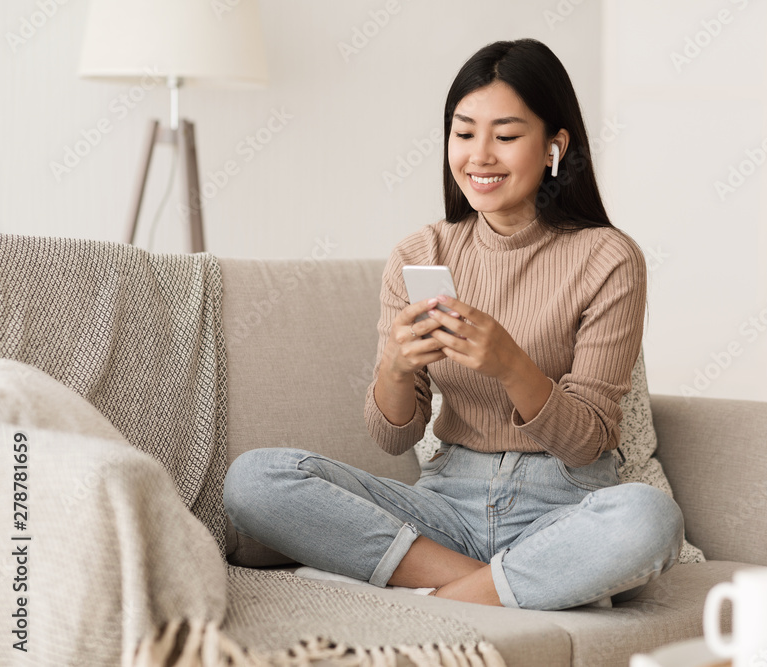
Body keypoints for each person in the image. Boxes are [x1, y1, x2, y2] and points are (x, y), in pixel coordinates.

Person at [223, 38, 683, 611]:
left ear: (553, 148)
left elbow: (590, 439)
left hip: (562, 506)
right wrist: (395, 366)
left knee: (649, 519)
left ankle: (435, 601)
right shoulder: (421, 253)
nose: (480, 156)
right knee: (255, 479)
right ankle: (512, 586)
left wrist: (511, 365)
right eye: (464, 134)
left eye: (506, 136)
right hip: (446, 505)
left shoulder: (608, 258)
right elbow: (394, 437)